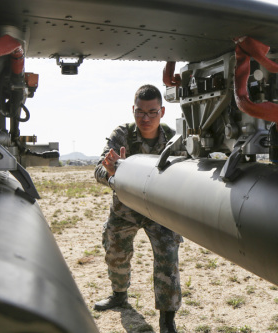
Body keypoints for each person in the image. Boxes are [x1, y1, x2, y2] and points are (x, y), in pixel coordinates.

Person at [94, 84, 182, 333]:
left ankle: (167, 319)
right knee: (116, 253)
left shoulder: (173, 139)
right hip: (125, 208)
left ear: (162, 111)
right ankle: (119, 296)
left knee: (168, 259)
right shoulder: (121, 134)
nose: (146, 118)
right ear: (133, 111)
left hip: (159, 211)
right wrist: (112, 174)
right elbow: (99, 169)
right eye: (140, 112)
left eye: (152, 112)